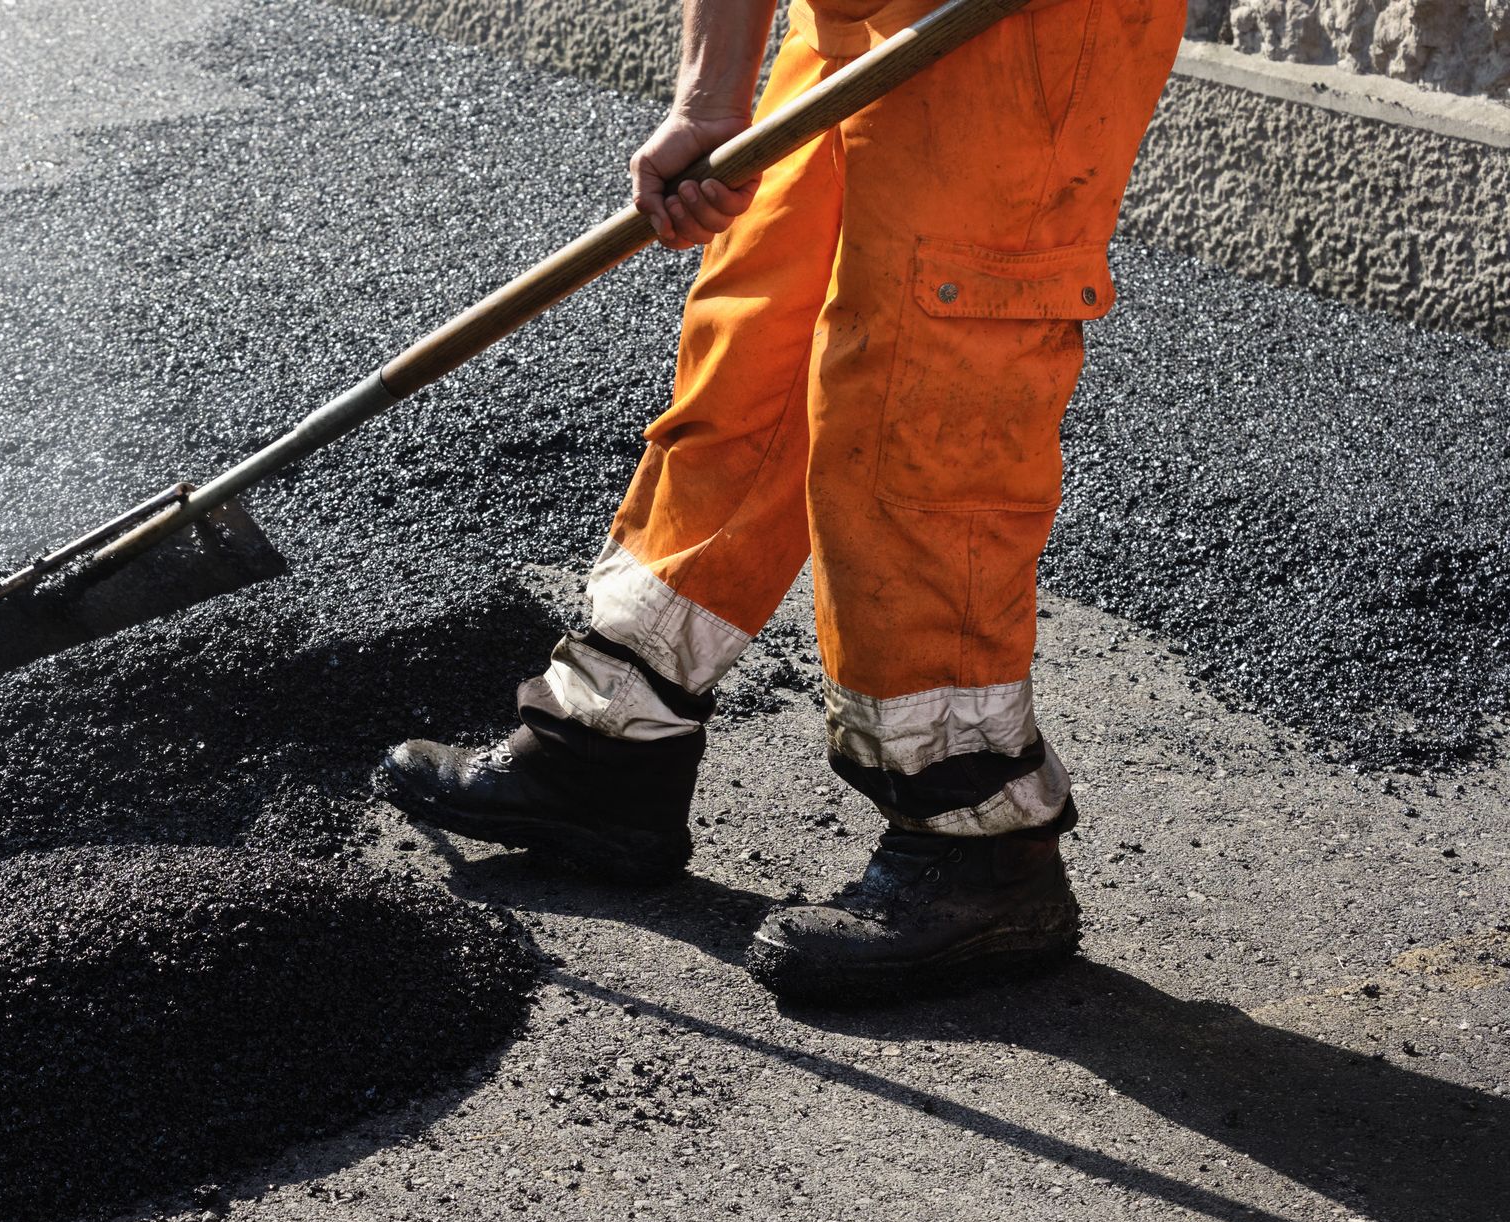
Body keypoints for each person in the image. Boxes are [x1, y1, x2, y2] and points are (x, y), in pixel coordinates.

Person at [379, 0, 1187, 1002]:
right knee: (759, 328)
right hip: (853, 12)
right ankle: (614, 734)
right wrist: (707, 95)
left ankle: (977, 835)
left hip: (1023, 32)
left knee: (924, 384)